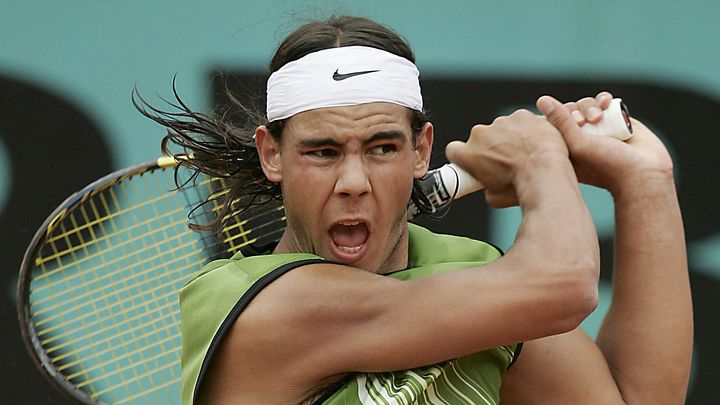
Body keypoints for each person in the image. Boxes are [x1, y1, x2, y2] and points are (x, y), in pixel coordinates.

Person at [143, 15, 692, 405]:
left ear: (422, 151)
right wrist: (539, 156)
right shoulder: (261, 307)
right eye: (322, 152)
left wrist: (644, 183)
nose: (354, 182)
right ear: (272, 155)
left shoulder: (472, 271)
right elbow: (567, 287)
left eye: (383, 148)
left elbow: (636, 398)